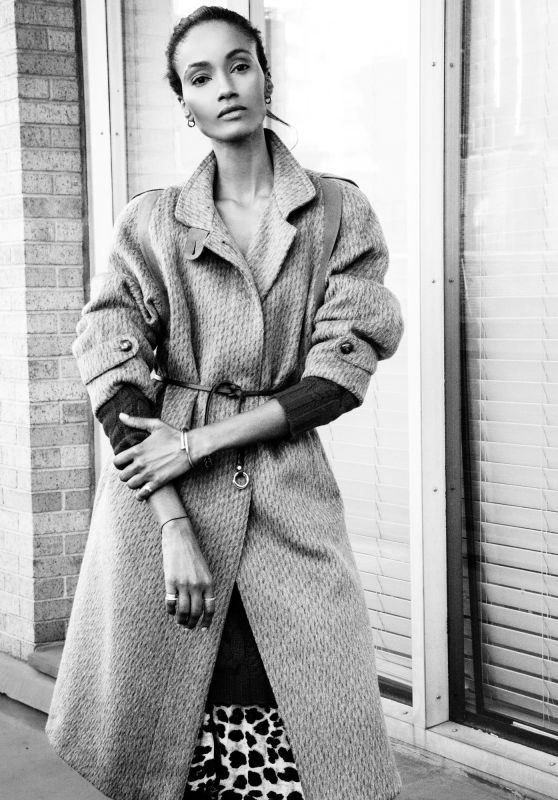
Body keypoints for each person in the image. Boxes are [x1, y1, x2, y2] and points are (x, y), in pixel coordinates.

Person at [45, 6, 405, 800]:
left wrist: (198, 442)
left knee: (315, 728)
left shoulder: (338, 212)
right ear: (185, 103)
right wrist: (172, 523)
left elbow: (339, 372)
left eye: (239, 64)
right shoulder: (151, 221)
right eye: (200, 76)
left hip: (287, 492)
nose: (225, 86)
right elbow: (112, 367)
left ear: (265, 75)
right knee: (174, 745)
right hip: (161, 505)